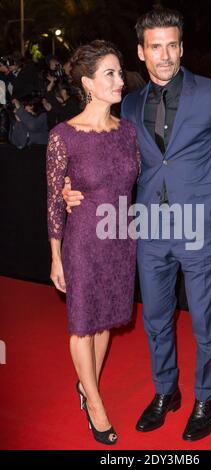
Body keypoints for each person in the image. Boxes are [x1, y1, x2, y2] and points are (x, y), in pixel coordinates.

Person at [63, 9, 211, 441]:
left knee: (207, 322)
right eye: (155, 46)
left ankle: (205, 397)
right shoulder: (127, 104)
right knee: (156, 320)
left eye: (172, 45)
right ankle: (166, 391)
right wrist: (69, 190)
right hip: (149, 228)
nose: (164, 55)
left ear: (181, 48)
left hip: (201, 228)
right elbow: (106, 162)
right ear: (141, 52)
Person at [46, 40, 139, 445]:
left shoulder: (128, 131)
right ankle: (95, 402)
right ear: (88, 82)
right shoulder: (63, 136)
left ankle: (88, 385)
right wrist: (55, 258)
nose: (120, 81)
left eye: (120, 73)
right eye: (111, 74)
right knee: (83, 322)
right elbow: (53, 202)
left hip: (120, 238)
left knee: (105, 320)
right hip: (83, 239)